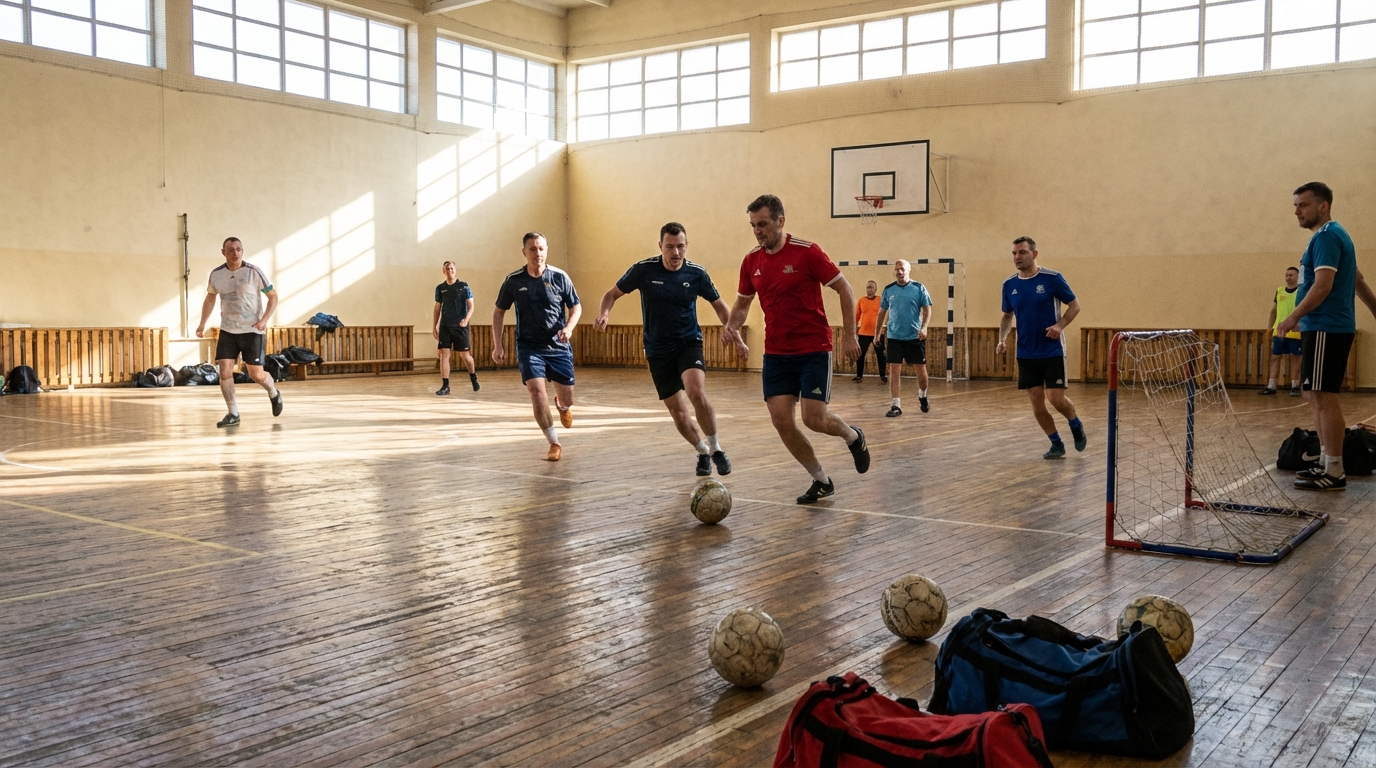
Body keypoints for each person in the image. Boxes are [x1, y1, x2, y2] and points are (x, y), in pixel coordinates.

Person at [724, 194, 871, 504]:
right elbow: (742, 304)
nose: (758, 231)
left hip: (813, 348)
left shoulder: (807, 252)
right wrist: (732, 326)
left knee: (813, 419)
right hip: (776, 353)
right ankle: (820, 480)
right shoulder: (751, 261)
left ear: (780, 221)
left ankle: (853, 437)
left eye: (763, 224)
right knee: (781, 421)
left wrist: (849, 335)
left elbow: (844, 288)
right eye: (753, 226)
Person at [594, 222, 743, 476]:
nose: (676, 253)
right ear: (660, 246)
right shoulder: (643, 270)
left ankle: (716, 448)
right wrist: (604, 313)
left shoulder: (696, 274)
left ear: (687, 246)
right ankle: (701, 451)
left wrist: (735, 334)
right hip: (657, 351)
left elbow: (719, 305)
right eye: (670, 247)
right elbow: (611, 294)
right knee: (679, 412)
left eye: (681, 247)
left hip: (688, 343)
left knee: (696, 392)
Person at [1276, 182, 1376, 491]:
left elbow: (1323, 285)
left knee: (1322, 395)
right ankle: (1324, 461)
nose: (1296, 211)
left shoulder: (1327, 236)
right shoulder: (1330, 237)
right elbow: (1357, 277)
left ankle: (1334, 470)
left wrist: (1295, 315)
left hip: (1326, 326)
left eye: (1303, 205)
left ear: (1323, 206)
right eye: (1295, 205)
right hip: (1323, 327)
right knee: (1313, 394)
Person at [493, 232, 581, 461]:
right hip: (529, 346)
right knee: (536, 391)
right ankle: (554, 443)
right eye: (532, 249)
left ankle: (562, 406)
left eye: (541, 248)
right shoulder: (513, 281)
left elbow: (576, 307)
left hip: (558, 346)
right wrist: (497, 345)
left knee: (568, 398)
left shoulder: (560, 277)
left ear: (546, 250)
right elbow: (499, 312)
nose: (537, 253)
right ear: (524, 252)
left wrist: (569, 328)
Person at [996, 236, 1086, 459]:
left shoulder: (1052, 278)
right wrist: (1002, 339)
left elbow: (1075, 306)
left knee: (1056, 399)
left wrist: (1060, 325)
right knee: (1037, 403)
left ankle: (1075, 423)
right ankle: (1056, 443)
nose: (1017, 257)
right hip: (1026, 352)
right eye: (1014, 253)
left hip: (1051, 350)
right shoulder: (1009, 285)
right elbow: (1007, 315)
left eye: (1022, 252)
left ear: (1034, 254)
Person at [194, 237, 283, 428]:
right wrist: (202, 324)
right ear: (223, 252)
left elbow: (273, 297)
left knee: (256, 375)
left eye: (239, 249)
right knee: (224, 371)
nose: (235, 253)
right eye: (231, 250)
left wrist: (264, 320)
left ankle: (274, 392)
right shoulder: (216, 275)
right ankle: (233, 413)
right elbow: (210, 299)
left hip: (252, 330)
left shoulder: (254, 272)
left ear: (242, 251)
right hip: (228, 330)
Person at [876, 260, 933, 417]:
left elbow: (927, 309)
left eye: (902, 269)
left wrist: (924, 327)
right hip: (894, 336)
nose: (899, 272)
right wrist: (876, 333)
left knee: (920, 370)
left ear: (909, 270)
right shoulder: (889, 290)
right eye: (897, 269)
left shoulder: (918, 288)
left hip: (914, 337)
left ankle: (923, 395)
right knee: (894, 369)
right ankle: (896, 405)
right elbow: (881, 313)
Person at [433, 260, 479, 395]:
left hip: (460, 327)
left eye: (452, 268)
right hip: (445, 326)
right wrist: (434, 326)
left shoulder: (464, 286)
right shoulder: (440, 288)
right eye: (447, 268)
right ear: (444, 271)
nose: (450, 270)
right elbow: (437, 308)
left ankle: (473, 376)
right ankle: (445, 385)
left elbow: (471, 306)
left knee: (465, 356)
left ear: (455, 270)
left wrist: (466, 320)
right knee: (444, 355)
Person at [1260, 266, 1302, 396]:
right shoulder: (1279, 291)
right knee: (1275, 357)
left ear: (1297, 277)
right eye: (1287, 275)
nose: (1288, 277)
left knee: (1296, 358)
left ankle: (1295, 385)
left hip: (1296, 331)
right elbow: (1274, 311)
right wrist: (1269, 326)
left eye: (1291, 275)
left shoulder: (1301, 291)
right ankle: (1272, 385)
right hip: (1280, 331)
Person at [854, 280, 887, 383]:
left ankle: (883, 376)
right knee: (860, 355)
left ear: (875, 289)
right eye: (868, 287)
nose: (870, 289)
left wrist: (885, 327)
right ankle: (859, 376)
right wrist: (854, 329)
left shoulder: (881, 300)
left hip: (877, 333)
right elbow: (856, 316)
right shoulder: (861, 301)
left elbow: (885, 313)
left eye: (872, 287)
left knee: (880, 355)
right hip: (863, 333)